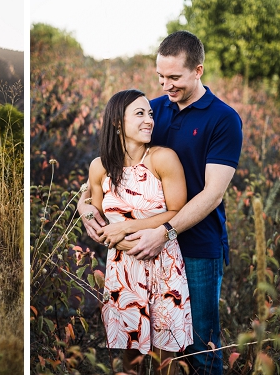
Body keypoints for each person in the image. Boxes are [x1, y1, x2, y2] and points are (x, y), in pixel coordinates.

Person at [79, 31, 242, 374]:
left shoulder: (223, 119)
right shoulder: (152, 111)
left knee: (200, 346)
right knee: (140, 344)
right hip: (138, 249)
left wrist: (165, 231)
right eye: (161, 77)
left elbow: (213, 194)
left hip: (197, 245)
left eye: (175, 77)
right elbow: (114, 161)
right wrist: (84, 204)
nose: (166, 85)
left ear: (198, 70)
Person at [87, 89, 191, 375]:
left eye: (150, 114)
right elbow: (93, 211)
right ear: (117, 123)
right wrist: (87, 213)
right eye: (140, 114)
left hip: (163, 266)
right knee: (129, 361)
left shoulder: (162, 159)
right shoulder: (100, 167)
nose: (149, 121)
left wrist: (128, 226)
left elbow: (177, 211)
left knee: (164, 361)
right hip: (123, 271)